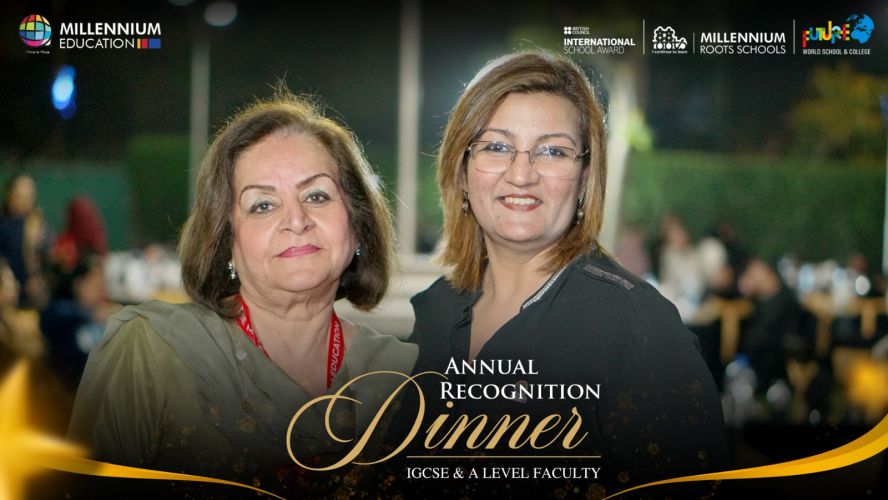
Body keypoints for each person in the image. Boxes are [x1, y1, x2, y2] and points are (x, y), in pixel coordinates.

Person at [405, 51, 727, 497]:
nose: (521, 174)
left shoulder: (637, 326)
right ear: (461, 170)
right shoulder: (435, 311)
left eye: (553, 151)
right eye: (496, 146)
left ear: (584, 178)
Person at [68, 91, 417, 495]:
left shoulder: (404, 379)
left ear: (356, 225)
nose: (297, 220)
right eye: (263, 205)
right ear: (226, 242)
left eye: (317, 195)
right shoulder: (150, 354)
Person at [0, 173, 52, 309]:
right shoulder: (3, 225)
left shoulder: (40, 224)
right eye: (20, 195)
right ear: (9, 195)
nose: (24, 201)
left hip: (35, 298)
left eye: (29, 196)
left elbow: (48, 257)